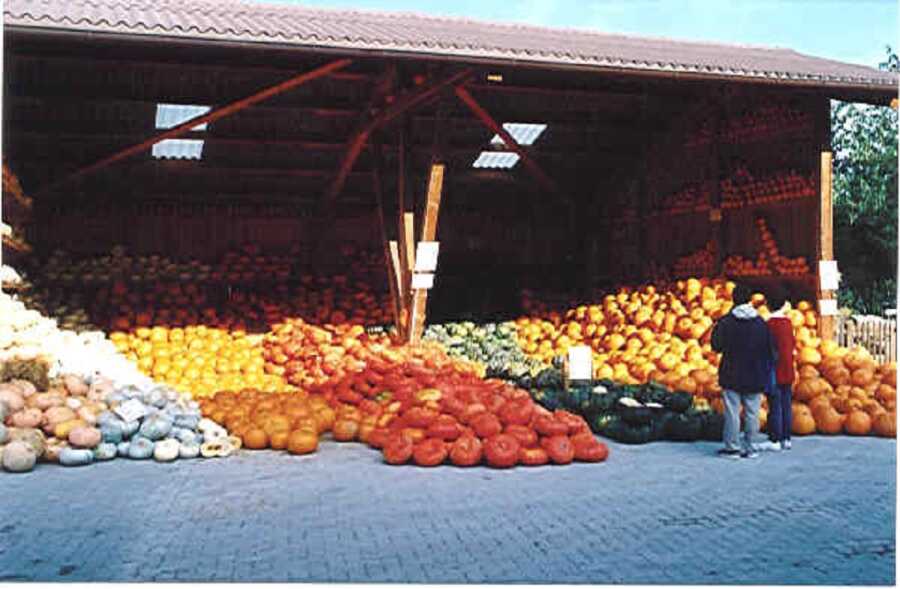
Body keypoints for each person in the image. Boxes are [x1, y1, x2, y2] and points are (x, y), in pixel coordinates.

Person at [711, 283, 778, 459]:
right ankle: (750, 447)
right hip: (755, 374)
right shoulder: (760, 323)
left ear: (733, 299)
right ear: (749, 300)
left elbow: (715, 345)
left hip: (731, 372)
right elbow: (771, 350)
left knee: (732, 412)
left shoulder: (726, 322)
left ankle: (732, 447)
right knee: (752, 412)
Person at [764, 291, 796, 451]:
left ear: (767, 305)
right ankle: (787, 438)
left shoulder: (768, 324)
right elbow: (793, 344)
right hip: (788, 368)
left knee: (775, 405)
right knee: (786, 404)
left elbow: (766, 348)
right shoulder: (788, 323)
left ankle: (775, 438)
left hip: (774, 370)